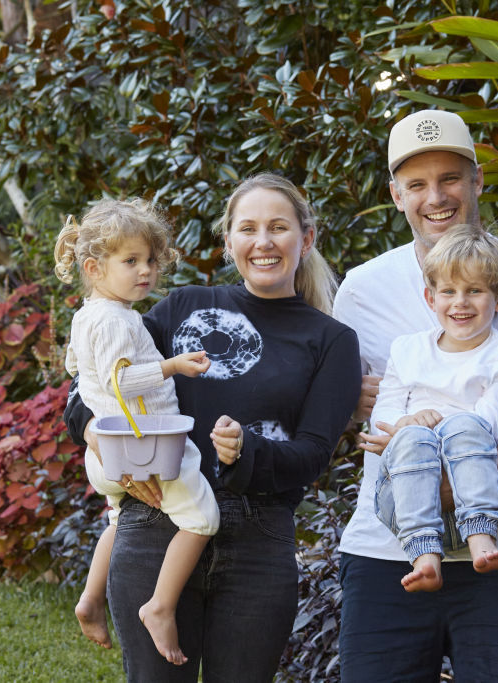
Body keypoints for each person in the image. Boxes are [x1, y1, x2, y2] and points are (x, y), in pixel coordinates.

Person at [64, 173, 361, 682]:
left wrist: (248, 451)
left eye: (278, 228)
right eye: (247, 228)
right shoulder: (180, 309)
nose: (263, 242)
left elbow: (313, 454)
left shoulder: (332, 340)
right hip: (157, 522)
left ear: (305, 239)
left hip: (258, 540)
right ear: (229, 243)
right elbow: (86, 389)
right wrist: (103, 441)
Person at [334, 109, 498, 682]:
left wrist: (459, 487)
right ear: (396, 194)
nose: (436, 197)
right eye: (417, 184)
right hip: (385, 549)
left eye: (450, 178)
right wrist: (354, 404)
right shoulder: (363, 289)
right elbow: (343, 408)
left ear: (477, 181)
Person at [55, 199, 220, 666]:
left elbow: (76, 368)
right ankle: (160, 605)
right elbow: (118, 382)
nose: (145, 270)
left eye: (149, 260)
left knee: (117, 518)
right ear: (94, 267)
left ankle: (90, 598)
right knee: (202, 518)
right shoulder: (114, 319)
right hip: (142, 443)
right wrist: (172, 366)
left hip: (106, 452)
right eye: (130, 261)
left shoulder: (91, 314)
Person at [370, 224, 498, 593]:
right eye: (448, 291)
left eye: (474, 291)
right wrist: (409, 423)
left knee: (467, 428)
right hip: (404, 501)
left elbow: (495, 418)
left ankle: (480, 539)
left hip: (477, 493)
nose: (460, 302)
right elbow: (386, 411)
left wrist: (434, 426)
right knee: (410, 437)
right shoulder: (408, 350)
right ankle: (424, 556)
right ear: (430, 298)